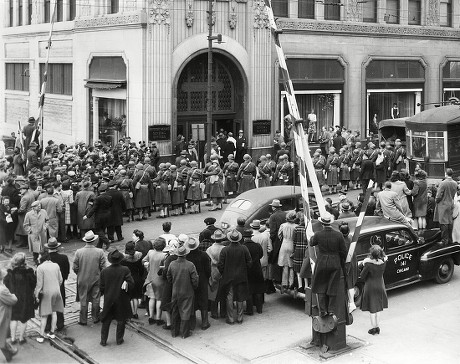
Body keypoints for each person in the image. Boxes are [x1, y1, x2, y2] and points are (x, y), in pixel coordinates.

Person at [310, 213, 347, 316]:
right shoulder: (338, 235)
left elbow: (311, 243)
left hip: (322, 262)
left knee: (320, 286)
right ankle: (330, 309)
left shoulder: (318, 234)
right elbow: (344, 251)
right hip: (335, 262)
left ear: (322, 223)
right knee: (332, 286)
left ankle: (322, 310)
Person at [99, 249, 134, 346]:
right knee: (121, 319)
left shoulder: (104, 271)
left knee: (106, 320)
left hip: (109, 298)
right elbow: (131, 284)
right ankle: (119, 339)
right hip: (121, 298)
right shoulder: (125, 269)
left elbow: (101, 287)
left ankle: (103, 341)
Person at [218, 229, 252, 325]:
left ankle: (230, 318)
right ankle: (240, 318)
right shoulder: (244, 248)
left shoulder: (225, 250)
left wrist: (224, 273)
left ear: (230, 239)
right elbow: (249, 262)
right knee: (240, 297)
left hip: (228, 277)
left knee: (229, 297)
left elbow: (220, 265)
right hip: (241, 276)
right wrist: (245, 270)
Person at [73, 230, 107, 326]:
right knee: (96, 299)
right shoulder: (100, 252)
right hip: (96, 279)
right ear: (94, 241)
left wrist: (80, 273)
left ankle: (83, 320)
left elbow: (75, 267)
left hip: (82, 279)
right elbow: (104, 267)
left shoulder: (78, 252)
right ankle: (95, 317)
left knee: (83, 299)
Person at [167, 245, 199, 338]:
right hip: (187, 291)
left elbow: (168, 277)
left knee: (175, 311)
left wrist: (174, 283)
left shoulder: (172, 264)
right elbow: (195, 280)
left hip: (175, 291)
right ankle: (184, 333)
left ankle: (174, 332)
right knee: (185, 311)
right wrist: (194, 287)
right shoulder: (190, 265)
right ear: (185, 254)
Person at [4, 253, 36, 345]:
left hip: (13, 299)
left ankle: (13, 339)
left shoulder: (10, 273)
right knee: (24, 319)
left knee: (13, 319)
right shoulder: (28, 272)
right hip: (26, 299)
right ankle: (21, 338)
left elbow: (5, 285)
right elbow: (33, 284)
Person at [35, 251, 64, 343]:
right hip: (56, 291)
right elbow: (60, 280)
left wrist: (36, 295)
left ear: (42, 258)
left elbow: (39, 284)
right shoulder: (56, 265)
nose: (37, 258)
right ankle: (52, 332)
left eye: (39, 257)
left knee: (44, 314)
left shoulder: (40, 267)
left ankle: (41, 335)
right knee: (54, 312)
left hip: (46, 292)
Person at [360, 245, 388, 335]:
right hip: (380, 285)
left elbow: (362, 276)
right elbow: (384, 259)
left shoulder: (368, 264)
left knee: (372, 308)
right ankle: (378, 326)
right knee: (378, 307)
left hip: (370, 287)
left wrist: (363, 263)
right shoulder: (383, 263)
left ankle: (373, 328)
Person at [185, 238, 211, 330]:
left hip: (190, 280)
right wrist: (207, 278)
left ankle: (192, 323)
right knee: (203, 300)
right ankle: (204, 322)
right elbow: (208, 269)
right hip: (203, 279)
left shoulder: (186, 256)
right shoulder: (204, 255)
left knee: (192, 301)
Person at [44, 238, 69, 333]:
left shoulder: (44, 259)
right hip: (59, 284)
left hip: (47, 285)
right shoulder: (64, 258)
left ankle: (48, 325)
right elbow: (66, 272)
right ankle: (60, 324)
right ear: (57, 247)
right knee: (59, 305)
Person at [143, 237, 167, 325]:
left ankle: (151, 317)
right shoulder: (164, 256)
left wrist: (147, 266)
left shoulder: (150, 252)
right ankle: (158, 318)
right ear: (163, 246)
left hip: (150, 279)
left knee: (151, 299)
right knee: (159, 299)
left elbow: (144, 261)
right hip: (159, 281)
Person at [242, 229, 265, 315]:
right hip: (257, 269)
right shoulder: (257, 245)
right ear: (251, 237)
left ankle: (249, 310)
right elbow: (261, 255)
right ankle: (259, 309)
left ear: (244, 238)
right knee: (258, 289)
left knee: (249, 290)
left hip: (248, 270)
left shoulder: (243, 247)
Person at [84, 183, 112, 249]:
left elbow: (94, 208)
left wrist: (87, 216)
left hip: (99, 216)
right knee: (102, 230)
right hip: (107, 215)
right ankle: (100, 245)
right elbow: (110, 206)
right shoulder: (109, 197)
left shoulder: (98, 198)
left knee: (98, 230)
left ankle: (107, 241)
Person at [206, 229, 227, 320]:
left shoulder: (209, 249)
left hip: (213, 271)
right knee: (223, 293)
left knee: (213, 292)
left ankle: (214, 313)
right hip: (223, 272)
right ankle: (223, 312)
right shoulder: (224, 249)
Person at [434, 168, 458, 245]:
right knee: (449, 222)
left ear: (445, 173)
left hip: (443, 204)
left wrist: (437, 201)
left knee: (443, 222)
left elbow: (438, 196)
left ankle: (444, 240)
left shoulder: (443, 183)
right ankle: (450, 239)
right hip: (451, 203)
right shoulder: (455, 183)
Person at [121, 242, 144, 319]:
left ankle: (131, 312)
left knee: (130, 297)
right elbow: (141, 269)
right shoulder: (138, 257)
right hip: (137, 278)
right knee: (135, 297)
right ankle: (135, 312)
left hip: (128, 279)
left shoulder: (123, 259)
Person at [267, 199, 286, 293]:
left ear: (273, 207)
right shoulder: (285, 214)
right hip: (285, 239)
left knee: (275, 259)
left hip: (277, 241)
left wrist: (271, 240)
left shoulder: (273, 216)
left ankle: (277, 278)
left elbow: (273, 232)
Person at [339, 222, 358, 313]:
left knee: (349, 285)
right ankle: (350, 303)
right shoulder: (351, 237)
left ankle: (352, 303)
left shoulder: (341, 240)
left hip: (347, 263)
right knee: (350, 284)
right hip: (353, 261)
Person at [0, 268, 18, 362]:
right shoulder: (2, 290)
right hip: (2, 315)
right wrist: (14, 295)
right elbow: (13, 300)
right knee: (2, 335)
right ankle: (9, 352)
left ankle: (10, 351)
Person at [23, 201, 49, 265]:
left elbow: (47, 220)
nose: (39, 207)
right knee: (35, 249)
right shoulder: (28, 214)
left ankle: (44, 259)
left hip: (42, 232)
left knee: (43, 248)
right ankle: (35, 260)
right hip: (33, 233)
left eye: (40, 205)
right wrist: (30, 230)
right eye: (37, 206)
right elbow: (25, 225)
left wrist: (45, 227)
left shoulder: (44, 212)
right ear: (33, 207)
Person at [277, 211, 297, 292]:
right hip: (292, 244)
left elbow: (279, 235)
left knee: (285, 265)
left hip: (284, 244)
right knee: (291, 265)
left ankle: (284, 283)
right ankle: (291, 283)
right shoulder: (296, 226)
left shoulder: (283, 225)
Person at [250, 220, 272, 291]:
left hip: (254, 261)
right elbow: (270, 248)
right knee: (263, 277)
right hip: (264, 260)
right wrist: (266, 253)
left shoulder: (251, 237)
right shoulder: (265, 236)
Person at [292, 214, 309, 293]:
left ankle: (300, 286)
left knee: (298, 269)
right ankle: (306, 286)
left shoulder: (296, 228)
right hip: (306, 249)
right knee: (305, 267)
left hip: (298, 249)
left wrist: (294, 249)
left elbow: (294, 241)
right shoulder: (308, 228)